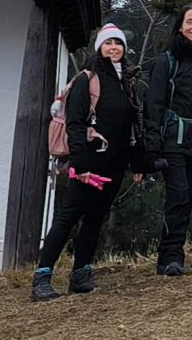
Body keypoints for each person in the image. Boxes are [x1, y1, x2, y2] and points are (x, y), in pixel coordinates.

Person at [32, 23, 143, 301]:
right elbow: (75, 124)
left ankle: (81, 274)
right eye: (108, 43)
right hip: (87, 165)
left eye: (118, 43)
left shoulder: (126, 81)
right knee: (68, 217)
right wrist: (80, 165)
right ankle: (42, 277)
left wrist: (138, 163)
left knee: (94, 219)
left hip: (114, 165)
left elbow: (132, 126)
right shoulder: (87, 79)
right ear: (99, 48)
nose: (114, 48)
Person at [143, 4, 192, 276]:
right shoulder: (167, 62)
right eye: (190, 22)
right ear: (180, 27)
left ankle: (171, 257)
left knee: (188, 200)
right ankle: (170, 256)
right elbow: (152, 105)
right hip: (172, 142)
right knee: (178, 196)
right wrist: (152, 147)